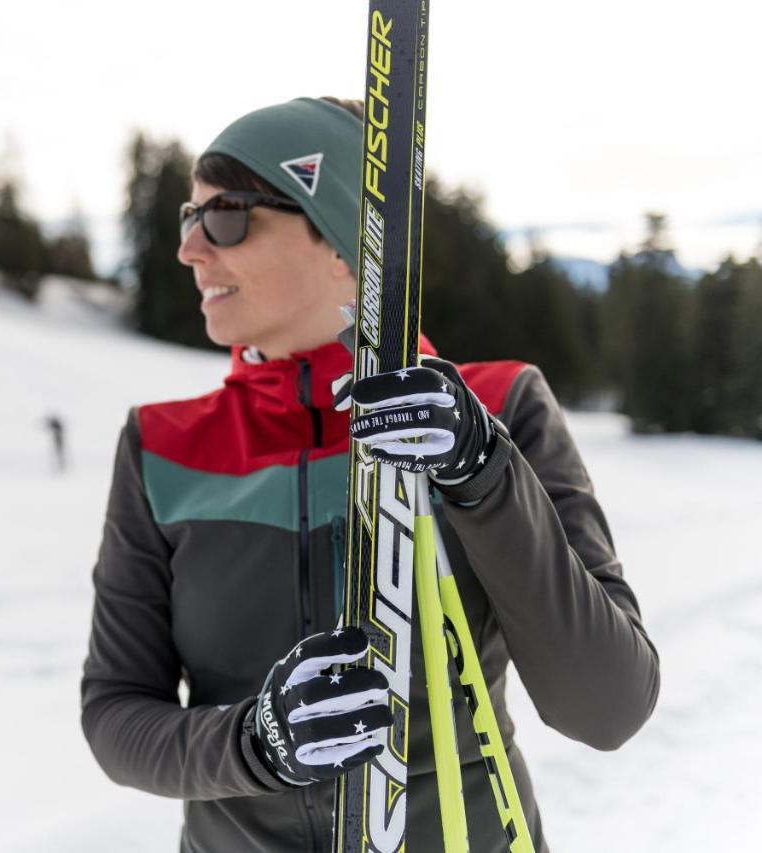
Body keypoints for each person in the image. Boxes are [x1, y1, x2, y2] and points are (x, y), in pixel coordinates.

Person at [79, 97, 660, 852]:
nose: (191, 249)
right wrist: (254, 742)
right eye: (188, 219)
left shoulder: (498, 407)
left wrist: (481, 470)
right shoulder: (163, 446)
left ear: (348, 240)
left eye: (224, 217)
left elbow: (607, 704)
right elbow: (117, 713)